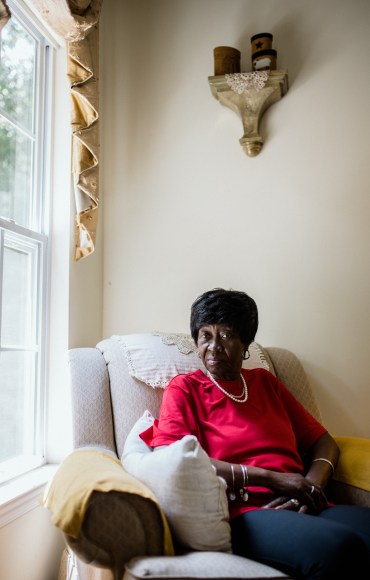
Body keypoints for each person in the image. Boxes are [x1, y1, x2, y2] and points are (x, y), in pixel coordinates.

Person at [140, 288, 370, 579]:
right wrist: (272, 478)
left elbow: (323, 441)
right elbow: (173, 459)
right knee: (340, 548)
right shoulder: (185, 389)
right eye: (205, 336)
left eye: (226, 335)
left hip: (302, 502)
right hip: (246, 512)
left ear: (245, 343)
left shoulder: (265, 383)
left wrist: (311, 486)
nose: (214, 346)